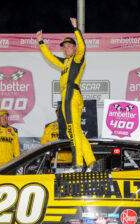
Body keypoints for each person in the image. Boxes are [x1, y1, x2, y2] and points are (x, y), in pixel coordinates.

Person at [36, 17, 96, 172]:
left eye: (69, 45)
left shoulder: (77, 58)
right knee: (74, 131)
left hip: (72, 94)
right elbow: (49, 57)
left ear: (74, 48)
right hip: (68, 96)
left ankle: (77, 163)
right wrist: (41, 42)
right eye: (64, 46)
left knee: (73, 130)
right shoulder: (65, 62)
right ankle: (90, 161)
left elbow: (82, 47)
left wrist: (76, 28)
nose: (66, 48)